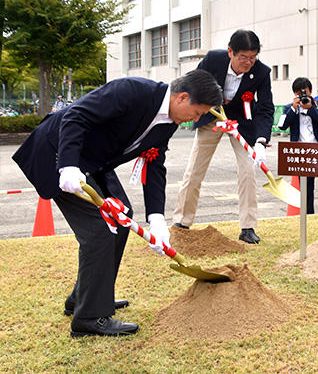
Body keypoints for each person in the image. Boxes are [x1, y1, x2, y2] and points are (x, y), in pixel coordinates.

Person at [12, 70, 223, 337]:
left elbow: (154, 163)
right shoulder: (132, 90)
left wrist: (156, 219)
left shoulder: (168, 122)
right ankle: (89, 318)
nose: (196, 119)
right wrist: (67, 166)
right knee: (101, 229)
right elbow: (76, 115)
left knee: (123, 216)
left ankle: (87, 298)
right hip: (58, 152)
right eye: (198, 112)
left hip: (95, 162)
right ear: (182, 97)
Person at [172, 29, 274, 244]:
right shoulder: (213, 60)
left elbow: (265, 108)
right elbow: (193, 83)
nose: (248, 62)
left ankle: (248, 227)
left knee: (248, 172)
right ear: (230, 52)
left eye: (252, 57)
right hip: (211, 115)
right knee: (195, 169)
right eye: (243, 57)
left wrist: (261, 142)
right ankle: (182, 221)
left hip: (242, 123)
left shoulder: (262, 72)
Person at [277, 77, 318, 213]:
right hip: (302, 151)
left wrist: (311, 109)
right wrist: (293, 109)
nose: (303, 96)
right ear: (294, 94)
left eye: (305, 92)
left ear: (310, 91)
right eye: (299, 94)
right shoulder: (290, 107)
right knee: (306, 185)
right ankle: (308, 213)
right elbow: (282, 126)